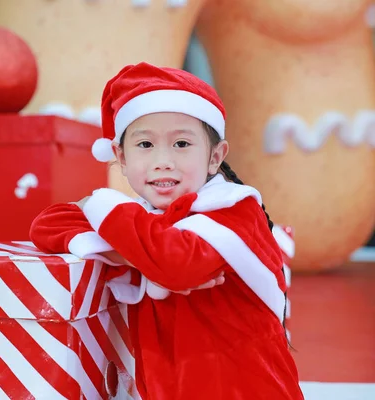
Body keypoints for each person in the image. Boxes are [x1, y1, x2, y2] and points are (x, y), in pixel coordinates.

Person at [30, 62, 304, 399]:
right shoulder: (138, 216)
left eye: (182, 144)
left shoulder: (235, 210)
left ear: (215, 157)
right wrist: (136, 256)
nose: (163, 160)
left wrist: (112, 220)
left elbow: (176, 264)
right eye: (145, 145)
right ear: (121, 157)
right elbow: (47, 224)